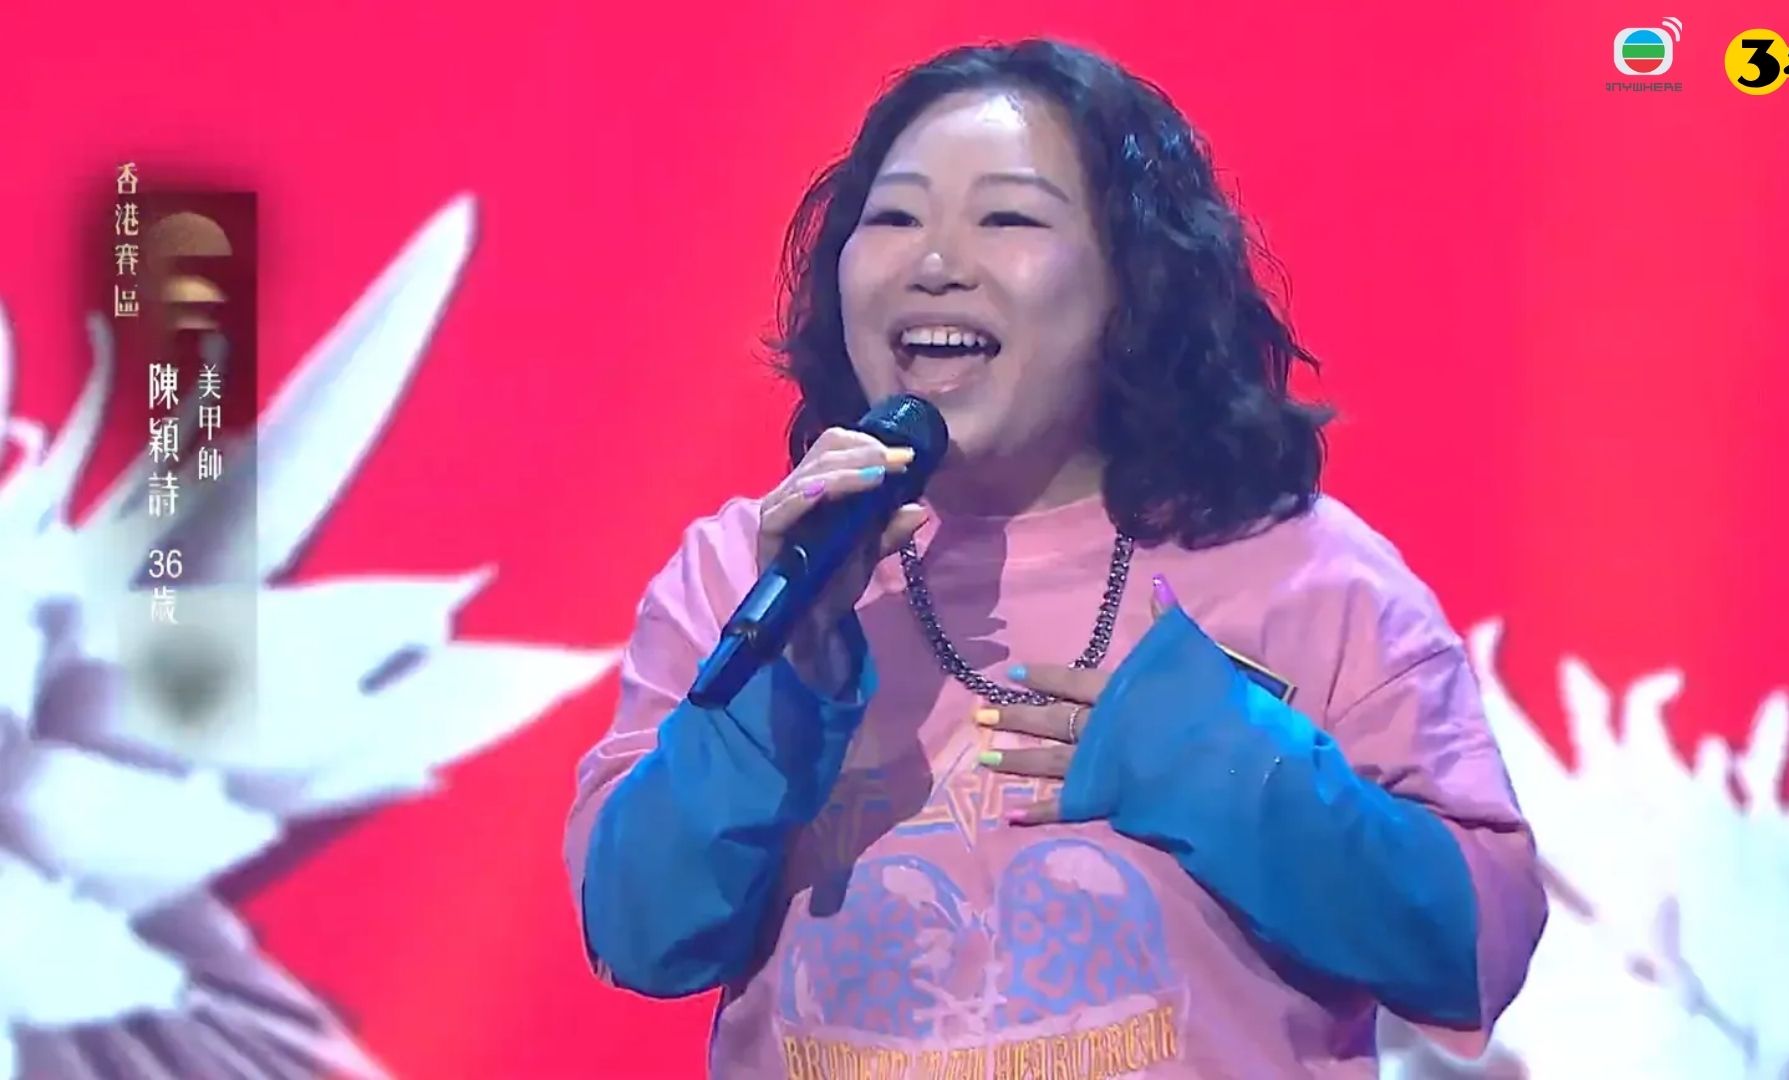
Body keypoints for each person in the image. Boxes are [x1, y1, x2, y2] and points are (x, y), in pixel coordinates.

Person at [565, 38, 1546, 1078]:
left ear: (1133, 281)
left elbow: (1473, 946)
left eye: (1008, 219)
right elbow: (639, 930)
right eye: (893, 219)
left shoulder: (1299, 570)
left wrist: (1227, 765)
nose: (935, 263)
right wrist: (786, 679)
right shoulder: (749, 570)